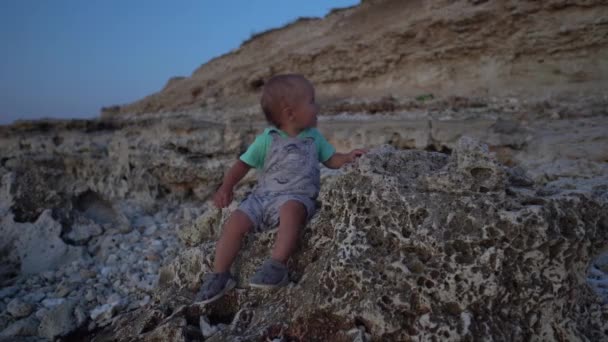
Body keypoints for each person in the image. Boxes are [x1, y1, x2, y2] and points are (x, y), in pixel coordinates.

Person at [196, 74, 367, 304]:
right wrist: (226, 187)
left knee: (291, 212)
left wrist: (347, 157)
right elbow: (242, 164)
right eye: (312, 101)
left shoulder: (314, 138)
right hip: (262, 198)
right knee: (235, 222)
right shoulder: (267, 139)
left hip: (296, 197)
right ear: (289, 113)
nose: (317, 107)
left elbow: (330, 159)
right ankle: (220, 274)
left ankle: (276, 265)